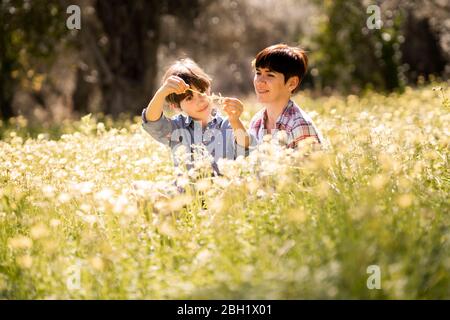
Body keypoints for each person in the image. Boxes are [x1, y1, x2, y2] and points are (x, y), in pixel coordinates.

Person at [141, 58, 251, 174]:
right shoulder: (177, 128)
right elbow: (152, 122)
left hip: (224, 190)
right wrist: (162, 92)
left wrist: (235, 120)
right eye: (189, 98)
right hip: (188, 191)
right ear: (176, 106)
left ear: (209, 86)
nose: (200, 100)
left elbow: (244, 148)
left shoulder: (227, 123)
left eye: (202, 91)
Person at [249, 44, 323, 148]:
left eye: (270, 75)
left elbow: (311, 164)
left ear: (292, 83)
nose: (260, 82)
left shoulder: (299, 125)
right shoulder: (257, 121)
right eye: (258, 73)